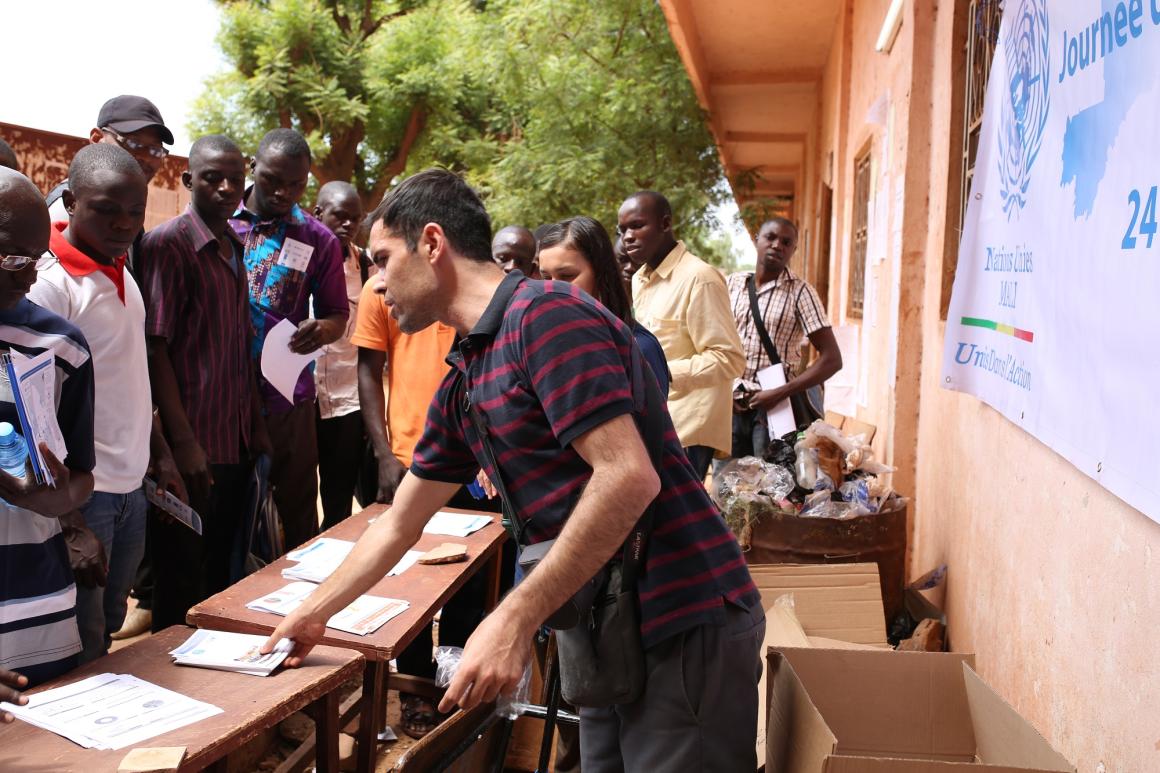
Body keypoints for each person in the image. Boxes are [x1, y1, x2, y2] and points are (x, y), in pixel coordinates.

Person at [262, 170, 764, 771]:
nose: (376, 283)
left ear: (432, 243)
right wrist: (313, 614)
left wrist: (512, 619)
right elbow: (399, 521)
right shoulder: (469, 372)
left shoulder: (547, 317)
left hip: (677, 617)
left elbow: (628, 476)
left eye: (384, 259)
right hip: (605, 627)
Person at [28, 144, 184, 662]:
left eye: (135, 212)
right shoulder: (50, 286)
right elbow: (33, 413)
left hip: (130, 489)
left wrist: (159, 455)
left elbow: (130, 376)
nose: (124, 224)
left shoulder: (122, 273)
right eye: (106, 210)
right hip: (84, 494)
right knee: (83, 639)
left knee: (109, 622)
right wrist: (70, 522)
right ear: (71, 202)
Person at [350, 230, 499, 738]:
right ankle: (414, 687)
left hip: (474, 464)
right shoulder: (382, 291)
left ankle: (449, 683)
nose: (381, 273)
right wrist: (383, 453)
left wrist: (489, 453)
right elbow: (369, 370)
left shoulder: (472, 297)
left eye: (386, 256)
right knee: (407, 583)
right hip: (410, 458)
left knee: (467, 581)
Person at [138, 135, 270, 630]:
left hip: (234, 440)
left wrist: (255, 425)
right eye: (213, 178)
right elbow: (156, 347)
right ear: (187, 180)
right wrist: (183, 443)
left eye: (235, 179)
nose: (227, 188)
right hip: (192, 445)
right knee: (180, 580)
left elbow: (238, 348)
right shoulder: (169, 244)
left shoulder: (233, 247)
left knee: (219, 576)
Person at [0, 167, 97, 686]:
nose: (29, 277)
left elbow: (81, 475)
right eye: (14, 259)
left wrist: (55, 500)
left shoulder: (60, 346)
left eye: (38, 259)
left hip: (35, 607)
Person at [232, 128, 348, 552]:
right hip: (222, 400)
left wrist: (323, 330)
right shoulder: (220, 222)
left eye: (296, 184)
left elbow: (337, 314)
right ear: (253, 167)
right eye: (272, 180)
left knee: (297, 514)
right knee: (228, 514)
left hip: (286, 399)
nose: (283, 192)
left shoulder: (319, 239)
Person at [618, 190, 745, 479]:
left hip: (688, 428)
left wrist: (660, 373)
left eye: (637, 226)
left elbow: (729, 359)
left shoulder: (700, 278)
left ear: (665, 224)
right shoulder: (639, 279)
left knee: (676, 508)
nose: (628, 237)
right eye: (622, 230)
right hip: (656, 418)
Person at [727, 217, 842, 458]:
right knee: (725, 478)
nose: (777, 245)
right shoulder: (733, 285)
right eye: (770, 237)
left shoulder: (800, 292)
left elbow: (832, 359)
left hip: (774, 411)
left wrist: (781, 392)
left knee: (770, 479)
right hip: (731, 405)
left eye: (786, 242)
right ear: (756, 240)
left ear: (793, 250)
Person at [538, 216, 669, 396]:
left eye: (567, 276)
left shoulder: (640, 348)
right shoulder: (543, 343)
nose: (553, 288)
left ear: (601, 273)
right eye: (546, 278)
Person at [312, 181, 370, 529]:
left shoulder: (367, 266)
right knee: (295, 497)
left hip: (347, 400)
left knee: (338, 501)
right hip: (299, 400)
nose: (348, 224)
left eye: (355, 218)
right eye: (340, 216)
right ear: (318, 213)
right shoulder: (297, 256)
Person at [46, 95, 174, 223]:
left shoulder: (128, 206)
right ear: (97, 139)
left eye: (155, 150)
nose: (145, 157)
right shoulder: (69, 210)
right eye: (133, 144)